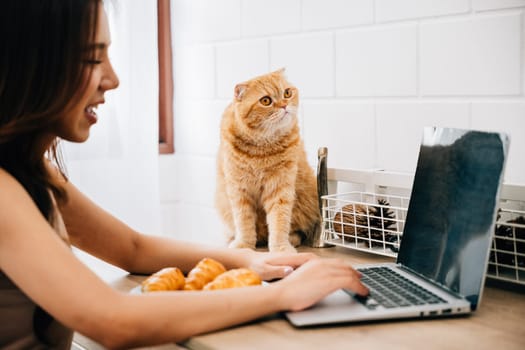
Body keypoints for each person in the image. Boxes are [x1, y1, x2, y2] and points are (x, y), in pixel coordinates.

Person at [0, 1, 368, 348]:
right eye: (92, 59)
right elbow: (111, 319)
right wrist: (283, 295)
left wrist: (253, 260)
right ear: (28, 64)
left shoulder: (31, 170)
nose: (113, 79)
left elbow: (132, 248)